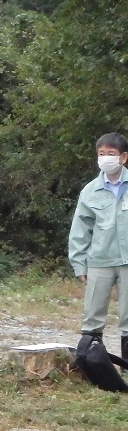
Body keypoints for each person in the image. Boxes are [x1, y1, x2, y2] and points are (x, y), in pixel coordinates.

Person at [69, 133, 128, 359]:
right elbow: (80, 229)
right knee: (93, 317)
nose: (105, 159)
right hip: (99, 261)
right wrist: (79, 264)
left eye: (111, 154)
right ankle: (94, 366)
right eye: (101, 154)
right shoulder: (90, 191)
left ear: (123, 157)